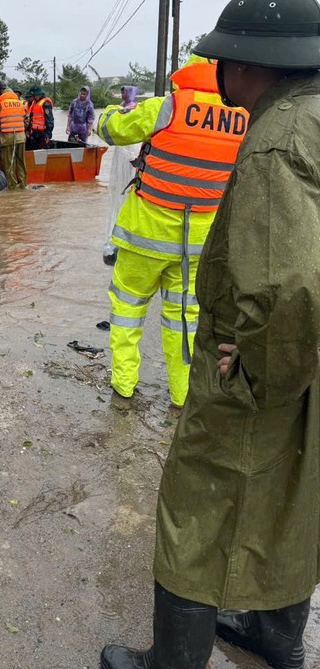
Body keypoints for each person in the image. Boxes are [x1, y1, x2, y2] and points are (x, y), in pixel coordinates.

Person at [100, 0, 320, 669]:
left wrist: (254, 371)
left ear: (251, 64)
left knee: (196, 498)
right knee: (295, 488)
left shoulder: (274, 144)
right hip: (308, 357)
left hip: (270, 356)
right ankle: (278, 637)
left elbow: (287, 288)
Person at [96, 55, 248, 408]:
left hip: (144, 238)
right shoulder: (243, 117)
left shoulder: (168, 106)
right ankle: (182, 395)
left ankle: (124, 385)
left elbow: (111, 131)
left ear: (187, 72)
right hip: (199, 244)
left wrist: (112, 111)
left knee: (127, 309)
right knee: (185, 319)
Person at [102, 85, 140, 266]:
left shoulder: (136, 110)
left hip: (132, 160)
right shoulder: (119, 109)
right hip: (125, 161)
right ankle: (116, 241)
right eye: (122, 91)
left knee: (128, 199)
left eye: (126, 91)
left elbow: (134, 135)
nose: (124, 94)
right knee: (120, 199)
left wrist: (134, 158)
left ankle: (123, 241)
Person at [0, 81, 27, 189]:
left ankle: (12, 188)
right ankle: (23, 186)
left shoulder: (1, 104)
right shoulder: (19, 102)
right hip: (21, 137)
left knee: (9, 164)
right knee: (21, 163)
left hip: (7, 138)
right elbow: (26, 119)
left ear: (0, 90)